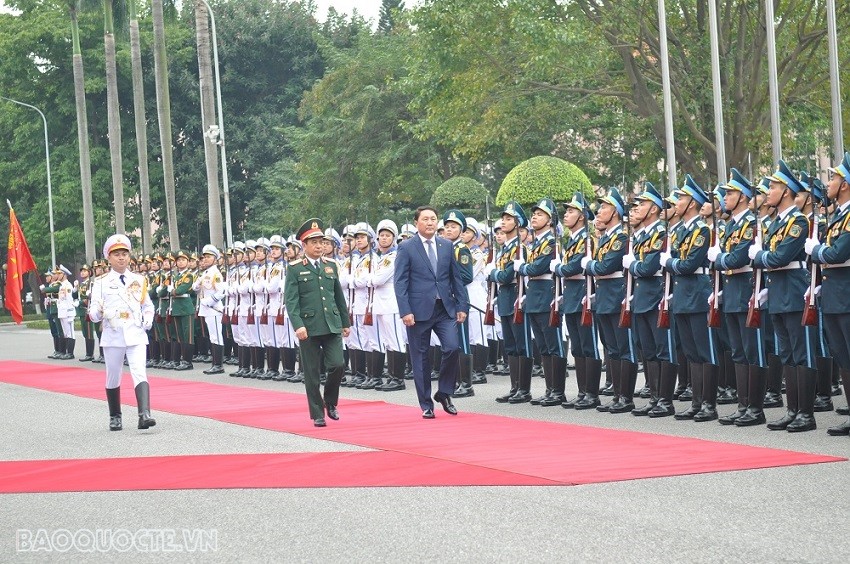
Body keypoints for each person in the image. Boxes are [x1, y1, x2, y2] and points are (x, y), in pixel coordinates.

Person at [395, 205, 470, 419]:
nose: (430, 222)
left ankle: (445, 392)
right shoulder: (406, 247)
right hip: (418, 312)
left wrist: (462, 305)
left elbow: (456, 278)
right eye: (426, 219)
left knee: (452, 348)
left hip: (444, 308)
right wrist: (405, 311)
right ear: (416, 222)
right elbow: (400, 282)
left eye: (433, 219)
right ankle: (426, 404)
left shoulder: (446, 246)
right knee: (420, 359)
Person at [284, 218, 351, 427]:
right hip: (309, 328)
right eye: (314, 242)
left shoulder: (331, 265)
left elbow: (338, 296)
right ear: (304, 245)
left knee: (338, 365)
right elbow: (291, 300)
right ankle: (317, 413)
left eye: (321, 242)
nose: (319, 246)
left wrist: (345, 322)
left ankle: (330, 402)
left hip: (331, 324)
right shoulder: (295, 269)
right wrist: (298, 325)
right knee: (312, 373)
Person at [87, 234, 156, 431]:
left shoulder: (139, 280)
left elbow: (147, 305)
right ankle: (115, 416)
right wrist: (98, 311)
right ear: (108, 258)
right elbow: (92, 314)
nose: (121, 258)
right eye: (116, 254)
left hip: (135, 333)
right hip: (113, 334)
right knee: (113, 376)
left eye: (124, 253)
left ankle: (144, 414)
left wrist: (148, 318)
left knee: (139, 371)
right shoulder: (100, 282)